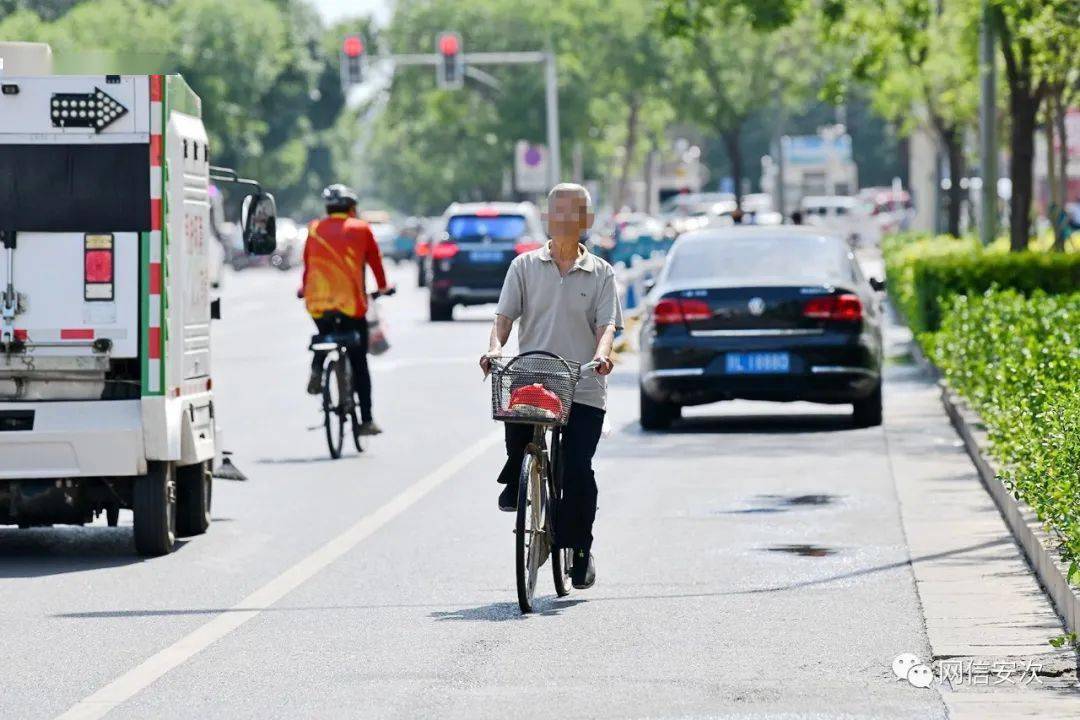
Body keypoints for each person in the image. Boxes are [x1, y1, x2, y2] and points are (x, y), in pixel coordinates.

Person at [480, 183, 624, 590]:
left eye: (571, 212)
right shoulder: (523, 267)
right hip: (535, 381)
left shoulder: (601, 273)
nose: (561, 218)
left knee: (579, 470)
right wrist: (494, 348)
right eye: (554, 211)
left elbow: (607, 325)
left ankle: (579, 551)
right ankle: (517, 470)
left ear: (586, 221)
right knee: (514, 411)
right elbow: (504, 317)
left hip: (583, 384)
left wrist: (602, 356)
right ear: (546, 218)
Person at [301, 184, 391, 436]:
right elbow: (375, 262)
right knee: (359, 360)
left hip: (316, 304)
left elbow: (309, 266)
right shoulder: (361, 228)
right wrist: (383, 287)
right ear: (352, 208)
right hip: (351, 307)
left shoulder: (314, 229)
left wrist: (303, 289)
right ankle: (366, 420)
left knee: (325, 332)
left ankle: (318, 367)